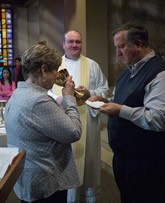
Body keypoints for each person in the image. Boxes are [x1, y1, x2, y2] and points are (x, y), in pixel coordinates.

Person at [90, 22, 165, 203]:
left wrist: (120, 110)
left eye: (121, 47)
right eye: (116, 48)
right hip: (125, 159)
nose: (117, 53)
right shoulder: (127, 72)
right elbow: (124, 102)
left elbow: (161, 119)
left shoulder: (160, 74)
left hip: (148, 163)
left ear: (138, 44)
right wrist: (105, 102)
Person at [4, 44, 82, 203]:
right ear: (44, 70)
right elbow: (74, 132)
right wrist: (68, 97)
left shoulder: (19, 93)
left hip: (27, 174)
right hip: (45, 181)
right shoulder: (38, 100)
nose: (56, 77)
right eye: (55, 71)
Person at [51, 30, 109, 202]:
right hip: (59, 121)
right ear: (63, 44)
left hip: (86, 123)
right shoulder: (55, 66)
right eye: (70, 42)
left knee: (86, 162)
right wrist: (61, 99)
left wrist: (89, 92)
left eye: (78, 42)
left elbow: (105, 90)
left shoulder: (92, 65)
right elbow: (45, 91)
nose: (74, 45)